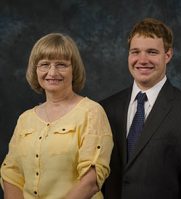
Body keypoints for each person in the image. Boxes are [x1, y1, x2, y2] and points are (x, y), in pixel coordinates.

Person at [100, 18, 181, 199]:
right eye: (135, 52)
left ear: (167, 55)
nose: (142, 60)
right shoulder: (105, 108)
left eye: (152, 52)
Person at [0, 33, 113, 199]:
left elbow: (91, 180)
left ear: (74, 69)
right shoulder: (25, 119)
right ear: (35, 69)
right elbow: (11, 173)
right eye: (44, 64)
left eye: (61, 65)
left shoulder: (92, 113)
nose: (52, 72)